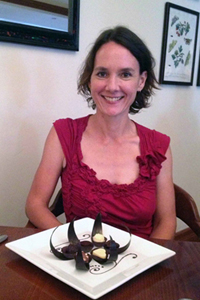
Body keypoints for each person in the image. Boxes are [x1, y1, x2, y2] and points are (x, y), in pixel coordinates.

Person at [25, 26, 176, 239]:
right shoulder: (63, 134)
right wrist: (73, 242)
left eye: (125, 74)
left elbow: (166, 220)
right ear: (90, 79)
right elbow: (35, 204)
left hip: (139, 265)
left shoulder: (160, 147)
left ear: (141, 81)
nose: (112, 86)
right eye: (102, 73)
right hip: (79, 260)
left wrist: (148, 263)